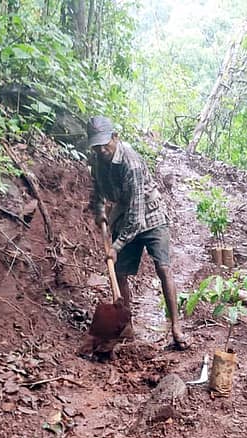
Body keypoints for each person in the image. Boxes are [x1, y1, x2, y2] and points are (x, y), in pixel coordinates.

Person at [86, 116, 189, 350]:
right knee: (120, 273)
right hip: (125, 213)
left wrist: (115, 247)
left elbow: (137, 219)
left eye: (105, 143)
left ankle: (176, 326)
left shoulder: (130, 163)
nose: (101, 149)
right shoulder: (98, 160)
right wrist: (101, 211)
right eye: (96, 145)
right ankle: (126, 325)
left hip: (151, 215)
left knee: (163, 268)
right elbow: (98, 191)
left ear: (115, 137)